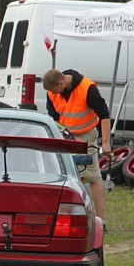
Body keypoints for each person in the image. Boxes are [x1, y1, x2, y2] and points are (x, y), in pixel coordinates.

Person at [43, 69, 111, 220]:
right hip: (64, 136)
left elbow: (104, 114)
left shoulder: (87, 89)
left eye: (55, 90)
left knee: (92, 176)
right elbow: (53, 117)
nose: (54, 94)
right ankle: (67, 216)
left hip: (85, 136)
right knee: (65, 176)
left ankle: (100, 220)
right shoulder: (52, 92)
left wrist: (105, 142)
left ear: (61, 83)